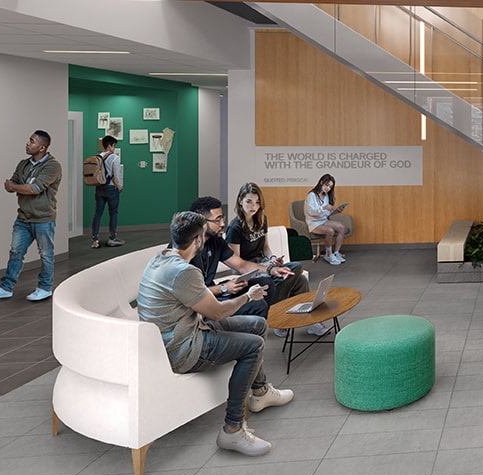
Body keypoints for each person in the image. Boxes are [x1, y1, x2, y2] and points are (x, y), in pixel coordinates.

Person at [136, 211, 294, 456]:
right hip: (183, 348)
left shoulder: (160, 258)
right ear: (198, 240)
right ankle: (232, 430)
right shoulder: (184, 272)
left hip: (178, 333)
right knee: (253, 346)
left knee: (257, 325)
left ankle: (261, 392)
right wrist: (247, 297)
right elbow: (218, 313)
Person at [188, 196, 325, 336]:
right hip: (205, 299)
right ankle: (251, 332)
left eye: (223, 218)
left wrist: (271, 269)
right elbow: (191, 295)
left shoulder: (215, 240)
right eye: (218, 220)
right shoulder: (186, 248)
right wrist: (223, 287)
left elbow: (241, 265)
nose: (223, 223)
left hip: (217, 291)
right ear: (201, 222)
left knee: (268, 282)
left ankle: (277, 319)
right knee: (259, 304)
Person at [0, 131, 62, 302]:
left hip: (43, 219)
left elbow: (34, 189)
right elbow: (9, 184)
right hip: (23, 219)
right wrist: (18, 186)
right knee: (15, 252)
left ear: (42, 147)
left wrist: (17, 186)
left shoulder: (52, 166)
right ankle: (6, 288)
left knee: (46, 254)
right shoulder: (23, 164)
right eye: (29, 140)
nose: (28, 143)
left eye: (32, 141)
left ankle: (45, 288)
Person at [90, 135, 125, 249]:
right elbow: (116, 174)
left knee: (98, 213)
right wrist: (119, 186)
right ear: (110, 146)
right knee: (113, 213)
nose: (114, 148)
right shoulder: (115, 157)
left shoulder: (97, 157)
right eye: (114, 145)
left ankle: (95, 240)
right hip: (111, 188)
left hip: (99, 188)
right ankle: (112, 238)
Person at [305, 174, 348, 265]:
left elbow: (326, 214)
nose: (328, 188)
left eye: (330, 187)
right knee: (330, 231)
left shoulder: (327, 196)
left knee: (342, 227)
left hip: (323, 220)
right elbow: (311, 212)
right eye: (326, 185)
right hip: (313, 223)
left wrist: (335, 211)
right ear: (321, 183)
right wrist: (324, 208)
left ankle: (336, 253)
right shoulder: (311, 195)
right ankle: (328, 255)